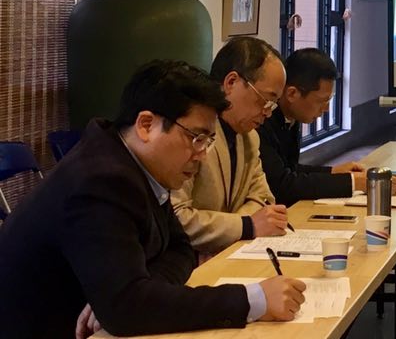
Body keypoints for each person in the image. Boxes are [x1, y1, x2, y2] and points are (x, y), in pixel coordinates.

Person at [0, 60, 305, 339]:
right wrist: (253, 300)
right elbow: (127, 310)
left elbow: (181, 249)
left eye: (208, 141)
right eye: (196, 138)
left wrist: (136, 290)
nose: (202, 155)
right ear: (146, 125)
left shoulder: (137, 164)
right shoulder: (101, 180)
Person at [173, 37, 289, 257]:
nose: (267, 112)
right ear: (231, 82)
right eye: (265, 100)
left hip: (229, 254)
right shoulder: (192, 135)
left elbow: (264, 198)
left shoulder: (250, 137)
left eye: (273, 105)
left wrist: (243, 224)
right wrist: (246, 225)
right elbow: (177, 217)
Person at [257, 48, 367, 206]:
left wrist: (333, 172)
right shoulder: (261, 121)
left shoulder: (291, 115)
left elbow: (290, 168)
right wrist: (352, 182)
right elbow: (281, 185)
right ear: (292, 94)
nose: (326, 109)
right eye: (322, 101)